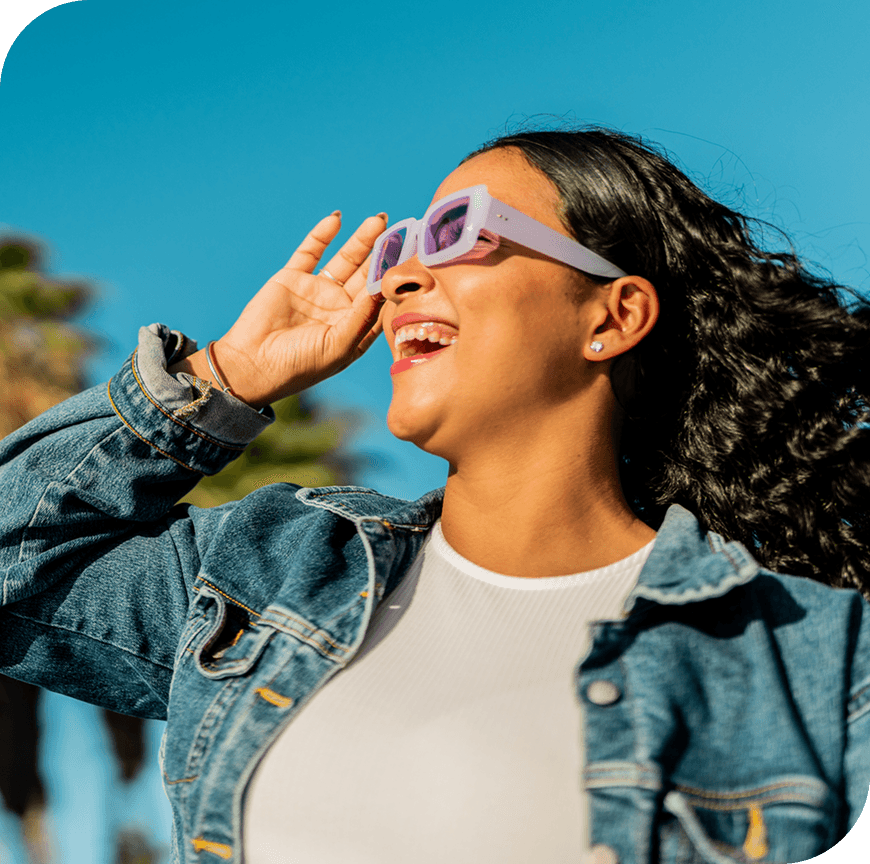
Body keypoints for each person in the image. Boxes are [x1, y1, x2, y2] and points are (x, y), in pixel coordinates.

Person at [0, 125, 868, 864]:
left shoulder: (821, 663)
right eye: (401, 249)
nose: (402, 278)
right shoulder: (271, 575)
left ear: (612, 316)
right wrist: (223, 376)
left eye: (461, 232)